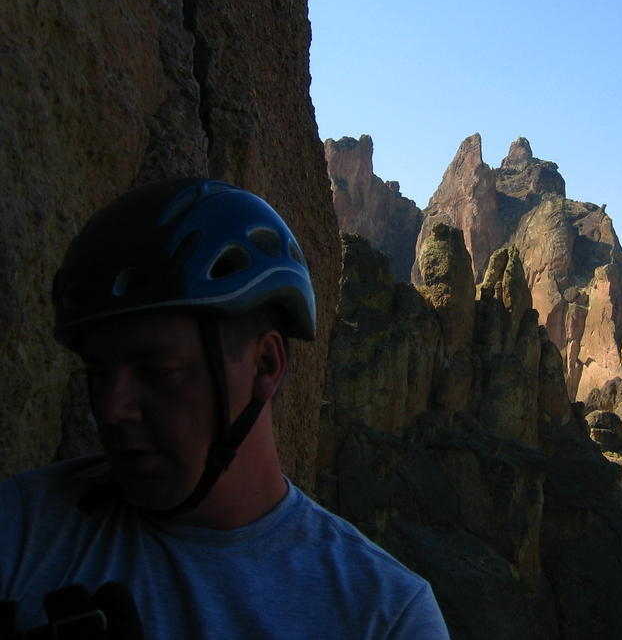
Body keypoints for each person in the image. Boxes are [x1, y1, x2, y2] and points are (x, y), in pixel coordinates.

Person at [0, 178, 450, 639]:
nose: (112, 409)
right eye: (98, 373)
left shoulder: (387, 617)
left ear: (265, 365)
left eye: (157, 371)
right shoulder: (21, 525)